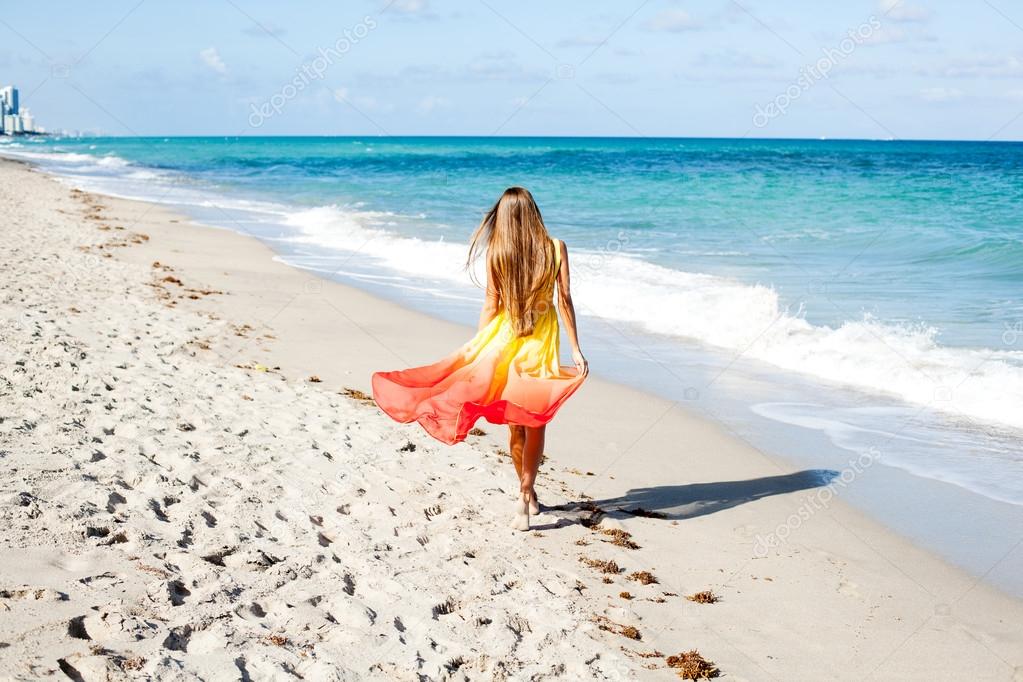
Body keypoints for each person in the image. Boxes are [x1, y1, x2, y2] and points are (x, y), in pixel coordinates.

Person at [372, 187, 588, 531]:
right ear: (533, 212)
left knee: (517, 423)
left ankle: (526, 497)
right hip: (540, 347)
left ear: (504, 218)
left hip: (504, 341)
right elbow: (564, 300)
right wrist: (575, 348)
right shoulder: (556, 248)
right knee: (534, 422)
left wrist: (478, 349)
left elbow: (491, 304)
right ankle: (526, 493)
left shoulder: (497, 253)